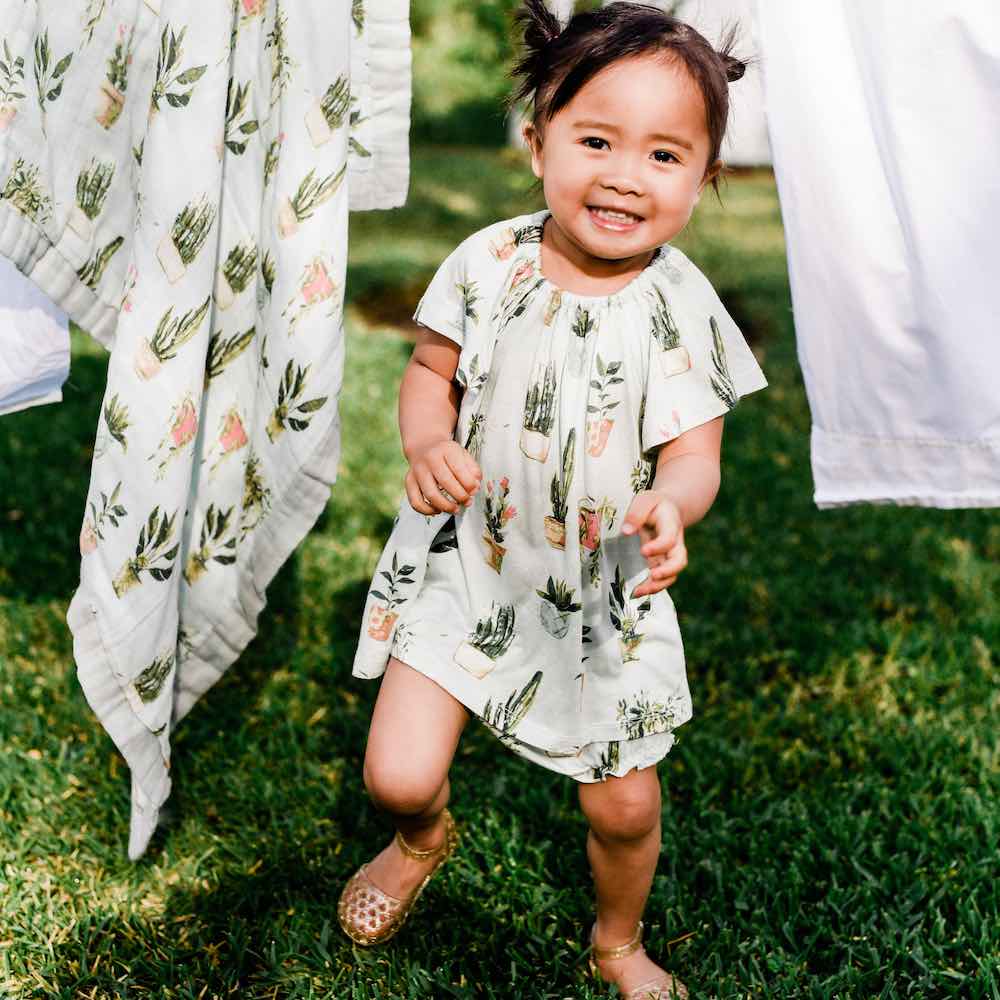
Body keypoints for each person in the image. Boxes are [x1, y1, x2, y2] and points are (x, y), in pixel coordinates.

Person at [342, 3, 767, 996]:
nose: (623, 173)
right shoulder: (487, 263)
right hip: (470, 560)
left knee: (618, 806)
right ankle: (422, 837)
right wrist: (427, 439)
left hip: (601, 595)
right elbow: (426, 370)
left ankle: (616, 939)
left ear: (701, 184)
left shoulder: (679, 307)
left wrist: (673, 507)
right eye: (594, 140)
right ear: (538, 145)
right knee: (394, 773)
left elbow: (694, 455)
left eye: (664, 155)